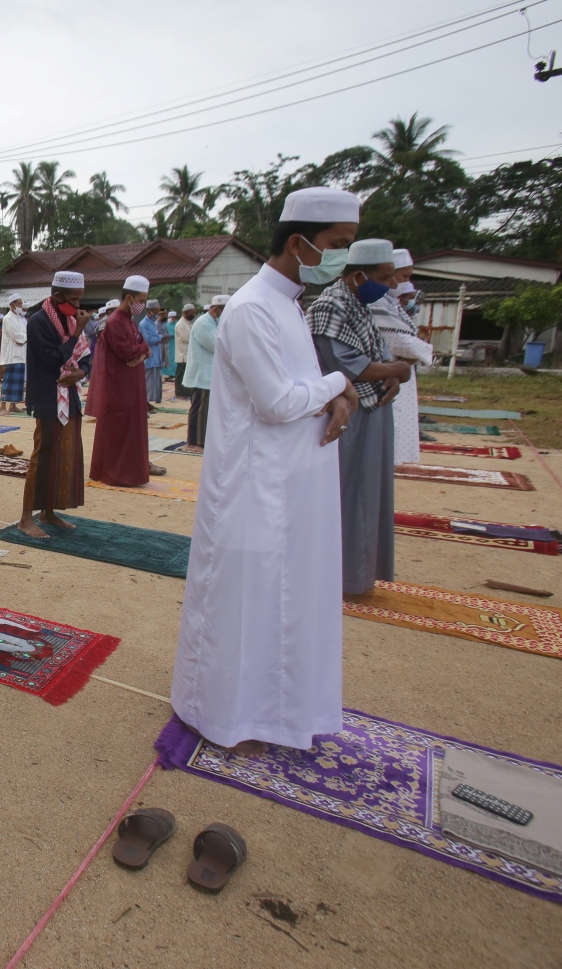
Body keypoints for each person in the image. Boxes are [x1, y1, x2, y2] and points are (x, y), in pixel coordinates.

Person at [170, 186, 362, 754]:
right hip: (255, 485)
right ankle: (221, 716)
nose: (342, 256)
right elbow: (277, 402)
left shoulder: (289, 303)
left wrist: (334, 394)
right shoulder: (253, 306)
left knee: (284, 600)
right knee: (244, 602)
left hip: (291, 483)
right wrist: (340, 383)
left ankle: (274, 714)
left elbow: (300, 388)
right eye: (337, 244)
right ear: (299, 243)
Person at [307, 238, 408, 597]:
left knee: (369, 492)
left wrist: (392, 372)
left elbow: (376, 353)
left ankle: (359, 573)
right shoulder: (330, 306)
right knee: (351, 494)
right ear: (358, 275)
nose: (391, 285)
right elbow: (351, 366)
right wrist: (397, 369)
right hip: (350, 412)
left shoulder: (359, 305)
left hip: (372, 408)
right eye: (384, 277)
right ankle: (342, 575)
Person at [18, 271, 88, 538]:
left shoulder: (69, 319)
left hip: (70, 395)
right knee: (43, 455)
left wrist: (81, 372)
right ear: (57, 295)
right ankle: (26, 518)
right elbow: (52, 360)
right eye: (73, 299)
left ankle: (48, 511)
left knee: (65, 454)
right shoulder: (39, 321)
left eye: (80, 299)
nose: (78, 305)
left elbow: (85, 355)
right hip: (48, 396)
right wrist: (77, 332)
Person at [88, 276, 161, 486]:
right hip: (118, 386)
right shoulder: (114, 322)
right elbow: (127, 351)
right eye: (141, 300)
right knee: (118, 430)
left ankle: (132, 472)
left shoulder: (130, 322)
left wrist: (142, 351)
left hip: (132, 385)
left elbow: (143, 347)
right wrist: (142, 351)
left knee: (133, 429)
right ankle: (116, 474)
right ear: (129, 298)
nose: (143, 305)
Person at [378, 249, 431, 464]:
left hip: (400, 373)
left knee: (399, 427)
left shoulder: (391, 303)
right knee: (391, 427)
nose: (406, 282)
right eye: (404, 276)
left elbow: (407, 341)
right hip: (385, 373)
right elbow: (399, 342)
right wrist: (425, 351)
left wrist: (415, 353)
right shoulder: (378, 301)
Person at [180, 297, 224, 453]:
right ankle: (194, 443)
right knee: (199, 410)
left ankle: (202, 441)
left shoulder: (212, 323)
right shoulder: (204, 323)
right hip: (201, 374)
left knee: (206, 410)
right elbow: (215, 345)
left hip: (207, 374)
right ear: (215, 309)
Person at [0, 294, 28, 414]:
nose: (21, 306)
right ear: (12, 305)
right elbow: (17, 336)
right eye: (19, 303)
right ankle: (2, 406)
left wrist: (26, 338)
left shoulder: (20, 318)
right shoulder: (8, 318)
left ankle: (13, 405)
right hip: (11, 354)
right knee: (9, 380)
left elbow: (26, 333)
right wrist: (27, 338)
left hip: (21, 354)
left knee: (19, 382)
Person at [137, 299, 164, 405]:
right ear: (150, 312)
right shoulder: (144, 324)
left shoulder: (152, 323)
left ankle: (150, 403)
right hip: (149, 358)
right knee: (148, 382)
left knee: (155, 382)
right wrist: (160, 338)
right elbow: (148, 340)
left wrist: (158, 338)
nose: (157, 315)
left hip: (156, 356)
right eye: (156, 312)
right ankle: (145, 404)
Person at [173, 304, 196, 399]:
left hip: (188, 354)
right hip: (183, 354)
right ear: (186, 313)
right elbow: (187, 338)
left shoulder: (188, 323)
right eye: (192, 313)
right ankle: (180, 392)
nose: (193, 315)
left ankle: (185, 391)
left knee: (186, 374)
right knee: (181, 374)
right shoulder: (181, 324)